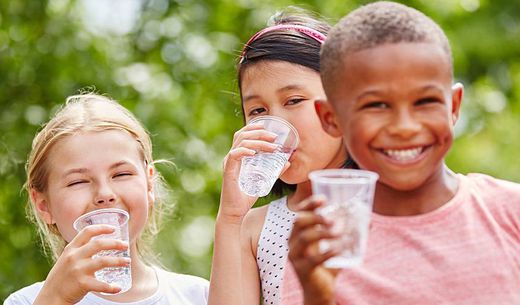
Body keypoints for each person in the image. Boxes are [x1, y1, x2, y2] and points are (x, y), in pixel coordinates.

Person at [281, 2, 520, 305]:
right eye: (376, 105)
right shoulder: (327, 248)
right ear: (331, 118)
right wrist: (317, 296)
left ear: (454, 106)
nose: (404, 127)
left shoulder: (510, 212)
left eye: (425, 101)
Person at [4, 94, 209, 305]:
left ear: (149, 184)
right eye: (77, 182)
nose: (104, 194)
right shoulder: (26, 302)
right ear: (43, 205)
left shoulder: (199, 296)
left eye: (121, 174)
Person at [208, 7, 352, 305]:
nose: (277, 126)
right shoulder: (253, 228)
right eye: (258, 111)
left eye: (294, 100)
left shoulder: (391, 203)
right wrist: (231, 218)